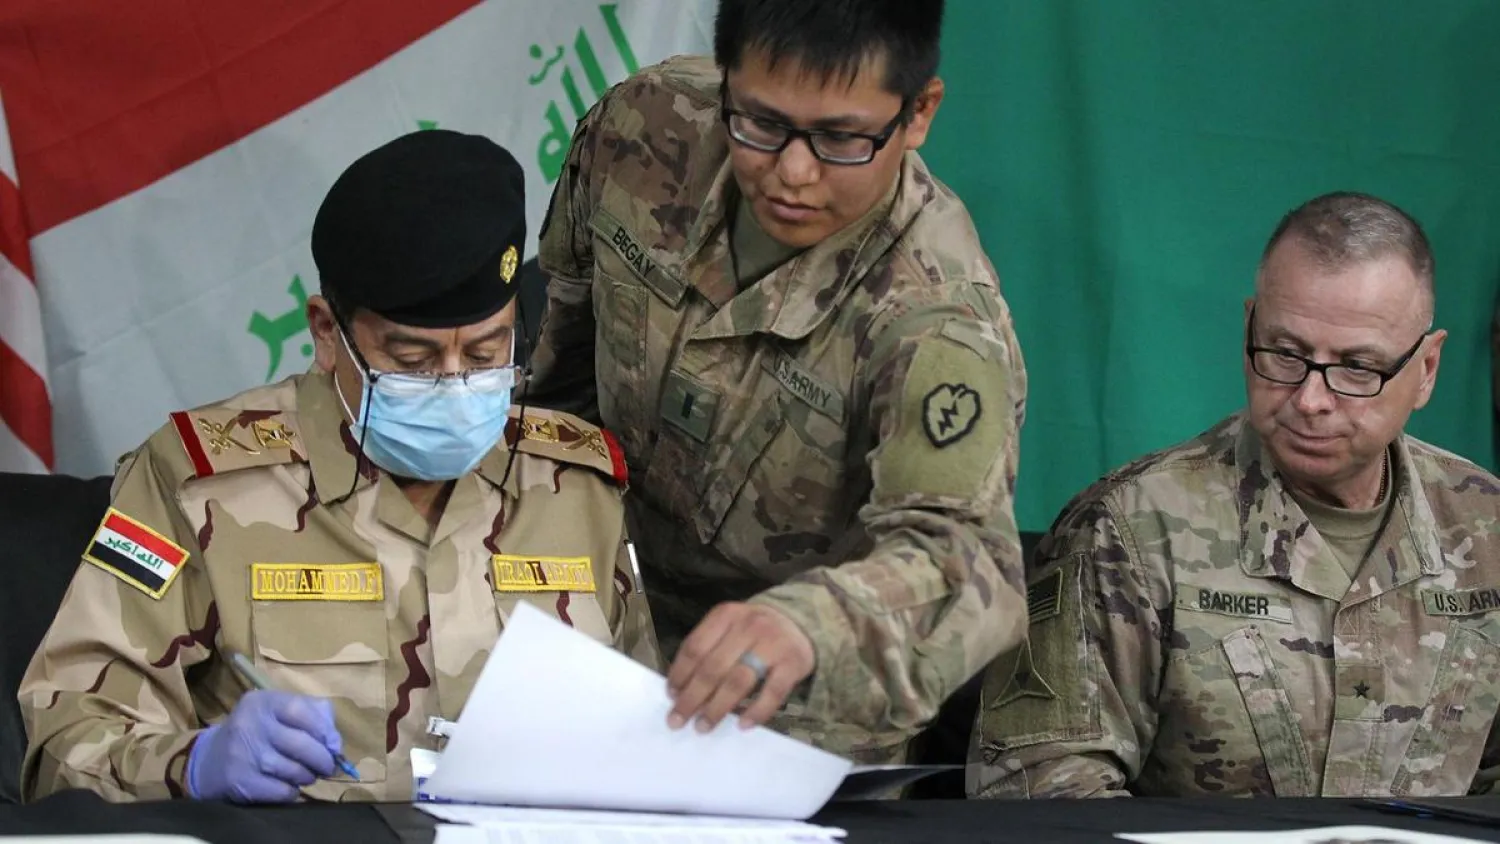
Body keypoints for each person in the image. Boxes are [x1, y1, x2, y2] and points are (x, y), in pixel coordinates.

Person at [19, 130, 660, 804]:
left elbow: (656, 742)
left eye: (484, 355)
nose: (451, 384)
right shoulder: (194, 483)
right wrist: (195, 764)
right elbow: (66, 740)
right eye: (411, 362)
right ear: (328, 332)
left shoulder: (577, 486)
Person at [523, 0, 1028, 763]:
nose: (792, 172)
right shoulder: (643, 127)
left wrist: (807, 625)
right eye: (759, 123)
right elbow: (554, 372)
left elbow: (967, 569)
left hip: (781, 716)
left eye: (840, 138)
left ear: (918, 112)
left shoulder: (937, 318)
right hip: (584, 633)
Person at [968, 191, 1500, 798]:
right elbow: (1038, 791)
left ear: (1427, 369)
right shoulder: (1131, 529)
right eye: (1285, 353)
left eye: (1358, 368)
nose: (1310, 399)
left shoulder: (1486, 528)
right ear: (1249, 325)